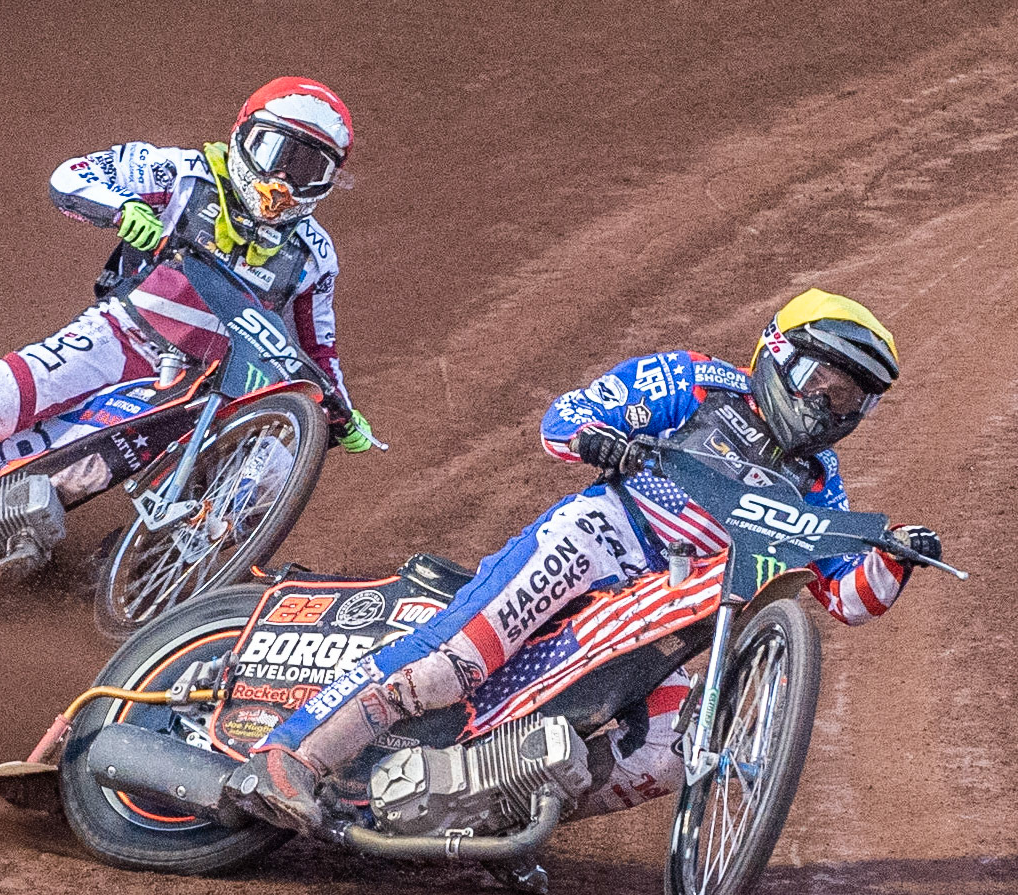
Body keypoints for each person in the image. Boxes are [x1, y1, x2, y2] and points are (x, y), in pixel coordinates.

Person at [232, 288, 944, 831]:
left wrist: (897, 554)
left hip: (669, 615)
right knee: (448, 665)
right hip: (598, 540)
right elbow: (564, 418)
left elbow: (845, 597)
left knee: (666, 751)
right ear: (780, 355)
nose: (829, 403)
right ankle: (292, 753)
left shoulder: (819, 483)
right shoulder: (695, 381)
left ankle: (495, 813)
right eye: (823, 379)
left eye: (850, 395)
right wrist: (599, 440)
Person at [0, 77, 373, 542]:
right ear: (245, 136)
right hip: (118, 335)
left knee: (86, 471)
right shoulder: (185, 174)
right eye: (275, 153)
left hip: (186, 386)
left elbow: (316, 348)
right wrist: (120, 209)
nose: (283, 179)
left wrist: (341, 409)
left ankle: (90, 562)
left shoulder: (314, 255)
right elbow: (74, 174)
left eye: (308, 167)